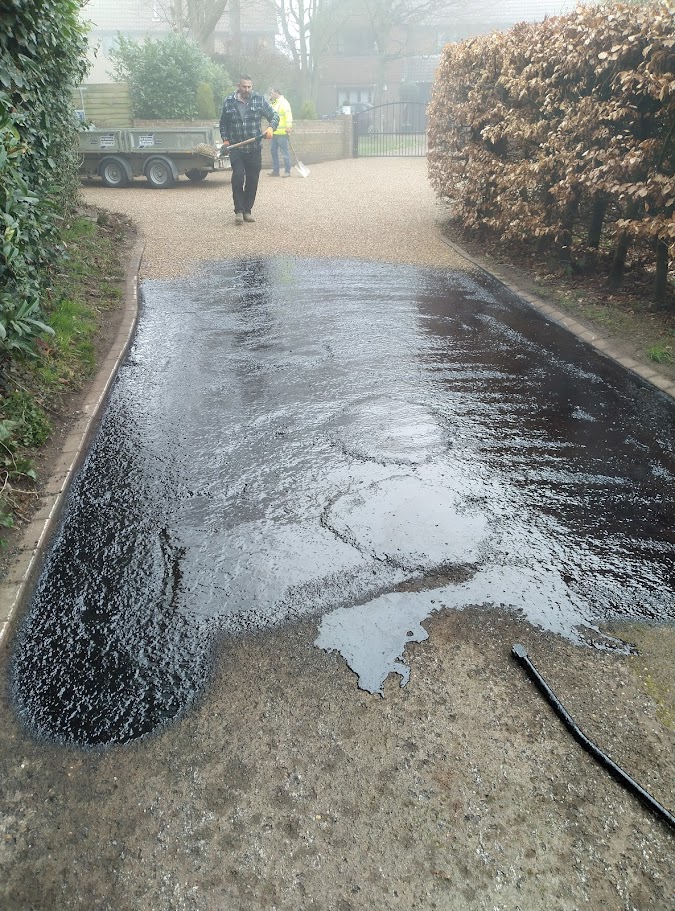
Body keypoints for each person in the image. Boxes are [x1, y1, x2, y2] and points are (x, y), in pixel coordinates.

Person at [219, 75, 279, 224]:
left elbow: (274, 115)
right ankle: (238, 211)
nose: (247, 89)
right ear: (238, 86)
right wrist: (226, 141)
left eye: (249, 87)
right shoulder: (229, 102)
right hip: (236, 148)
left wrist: (271, 127)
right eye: (244, 87)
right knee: (238, 178)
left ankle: (247, 210)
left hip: (254, 148)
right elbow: (223, 124)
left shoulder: (259, 100)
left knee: (252, 180)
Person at [268, 88, 293, 178]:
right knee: (273, 151)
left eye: (272, 93)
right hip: (274, 133)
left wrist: (288, 127)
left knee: (284, 153)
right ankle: (276, 171)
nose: (270, 94)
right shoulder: (274, 103)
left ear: (276, 93)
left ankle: (287, 171)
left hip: (282, 133)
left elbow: (288, 116)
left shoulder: (284, 103)